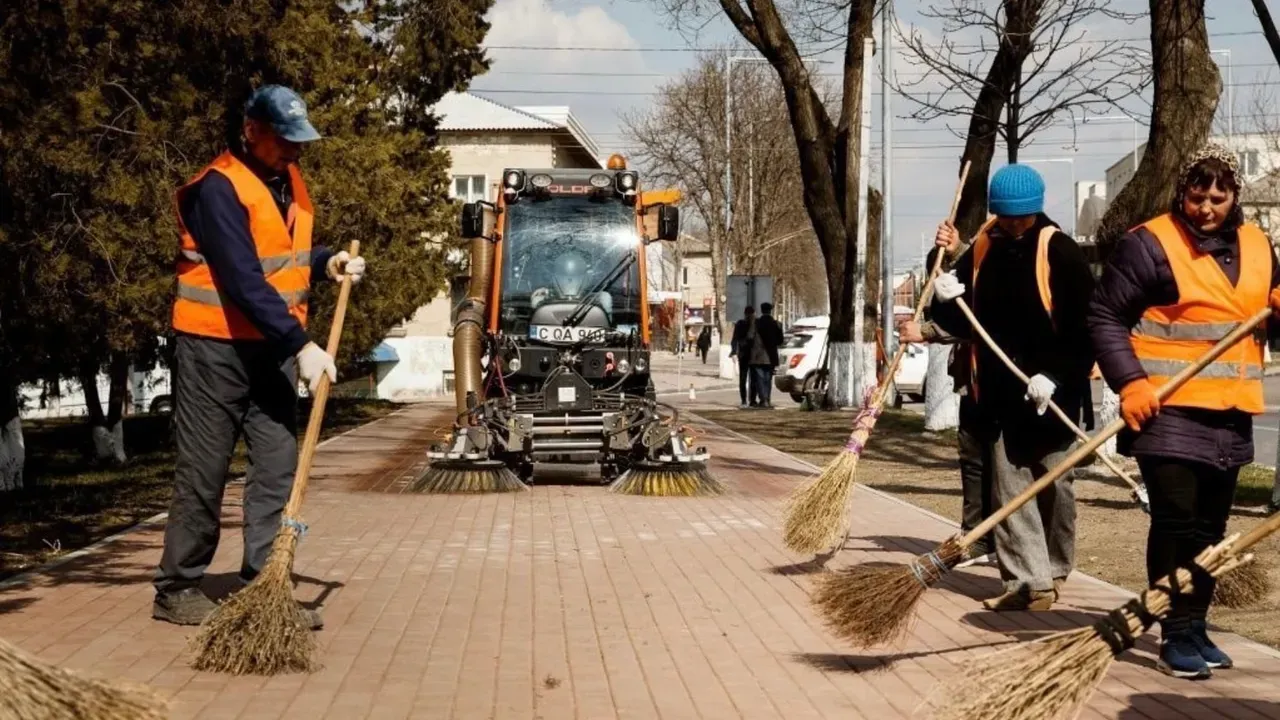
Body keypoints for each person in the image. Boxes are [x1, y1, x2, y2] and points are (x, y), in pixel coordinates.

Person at [152, 85, 367, 627]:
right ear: (251, 132)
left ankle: (262, 583)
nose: (293, 152)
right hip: (214, 348)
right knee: (206, 468)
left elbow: (282, 258)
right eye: (283, 142)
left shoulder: (286, 181)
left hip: (266, 349)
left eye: (299, 143)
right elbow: (242, 279)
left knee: (277, 462)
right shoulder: (217, 190)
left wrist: (326, 262)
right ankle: (176, 587)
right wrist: (302, 346)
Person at [1088, 143, 1280, 680]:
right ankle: (1173, 631)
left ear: (1234, 195)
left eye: (1219, 196)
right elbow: (1104, 315)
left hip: (1231, 411)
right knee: (1176, 519)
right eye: (1198, 196)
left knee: (1212, 527)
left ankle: (1196, 624)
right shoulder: (1149, 244)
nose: (1207, 207)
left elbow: (1267, 312)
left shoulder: (1258, 245)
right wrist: (1129, 383)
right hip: (1165, 407)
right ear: (1183, 193)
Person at [929, 163, 1095, 612]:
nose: (1014, 225)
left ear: (1036, 211)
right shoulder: (984, 246)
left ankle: (1057, 566)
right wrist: (946, 297)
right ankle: (1027, 581)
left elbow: (1087, 329)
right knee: (1010, 485)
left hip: (1053, 393)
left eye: (1021, 217)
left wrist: (1055, 376)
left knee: (1055, 485)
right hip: (1000, 394)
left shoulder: (1059, 250)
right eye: (1006, 217)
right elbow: (961, 319)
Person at [899, 246, 995, 562]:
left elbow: (968, 324)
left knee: (1003, 467)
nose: (937, 280)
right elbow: (948, 320)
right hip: (972, 386)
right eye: (934, 275)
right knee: (972, 459)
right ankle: (976, 535)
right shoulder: (948, 294)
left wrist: (926, 331)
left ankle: (1007, 540)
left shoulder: (983, 285)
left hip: (1000, 387)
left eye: (941, 273)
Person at [750, 303, 784, 408]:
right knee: (768, 379)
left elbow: (750, 336)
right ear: (770, 311)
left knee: (759, 378)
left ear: (761, 310)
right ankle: (767, 399)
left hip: (758, 355)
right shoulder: (777, 324)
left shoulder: (756, 323)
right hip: (771, 356)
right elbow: (781, 341)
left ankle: (763, 399)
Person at [730, 306, 756, 408]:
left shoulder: (740, 324)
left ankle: (744, 401)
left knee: (743, 378)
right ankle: (752, 400)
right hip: (753, 355)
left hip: (743, 354)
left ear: (744, 313)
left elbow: (734, 339)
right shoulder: (754, 324)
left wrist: (734, 352)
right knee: (753, 378)